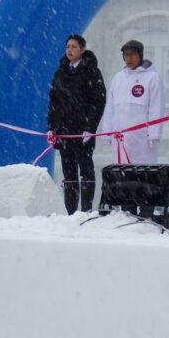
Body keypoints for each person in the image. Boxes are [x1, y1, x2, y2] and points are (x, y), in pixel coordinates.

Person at [47, 35, 106, 214]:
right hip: (64, 130)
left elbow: (98, 102)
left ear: (82, 49)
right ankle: (71, 211)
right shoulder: (60, 72)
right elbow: (54, 102)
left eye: (74, 47)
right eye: (68, 47)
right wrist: (51, 127)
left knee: (85, 170)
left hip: (82, 131)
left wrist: (90, 127)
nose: (70, 50)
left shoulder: (91, 72)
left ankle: (87, 209)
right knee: (69, 172)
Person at [101, 39, 166, 164]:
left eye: (132, 54)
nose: (128, 58)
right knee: (121, 171)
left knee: (142, 171)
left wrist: (154, 134)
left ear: (140, 55)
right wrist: (107, 131)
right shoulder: (118, 78)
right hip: (119, 137)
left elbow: (156, 107)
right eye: (126, 55)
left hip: (141, 137)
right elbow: (110, 108)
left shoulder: (152, 78)